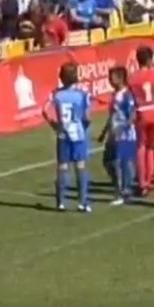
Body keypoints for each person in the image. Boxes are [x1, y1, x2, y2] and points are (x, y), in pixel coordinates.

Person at [43, 62, 92, 213]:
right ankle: (82, 202)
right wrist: (84, 127)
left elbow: (44, 110)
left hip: (63, 134)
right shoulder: (82, 95)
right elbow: (87, 117)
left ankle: (60, 202)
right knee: (80, 166)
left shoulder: (56, 94)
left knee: (63, 166)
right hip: (78, 133)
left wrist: (53, 124)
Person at [128, 46, 154, 196]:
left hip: (141, 113)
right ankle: (148, 181)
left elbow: (130, 100)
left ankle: (142, 182)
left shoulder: (133, 78)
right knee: (151, 148)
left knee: (141, 147)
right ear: (149, 59)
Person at [98, 66, 136, 205]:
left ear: (120, 78)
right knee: (107, 162)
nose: (109, 80)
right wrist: (104, 132)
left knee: (121, 162)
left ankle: (123, 192)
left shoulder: (127, 95)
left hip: (124, 135)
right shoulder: (114, 94)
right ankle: (121, 188)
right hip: (114, 134)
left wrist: (123, 128)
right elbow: (112, 115)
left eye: (111, 77)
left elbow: (132, 114)